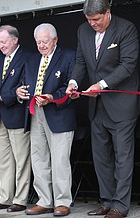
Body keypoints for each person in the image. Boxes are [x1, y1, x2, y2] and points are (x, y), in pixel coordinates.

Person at [65, 0, 140, 218]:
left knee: (122, 157)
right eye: (89, 20)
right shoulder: (83, 31)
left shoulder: (126, 29)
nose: (93, 24)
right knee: (101, 157)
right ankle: (107, 200)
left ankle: (120, 205)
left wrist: (102, 84)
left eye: (97, 19)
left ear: (108, 12)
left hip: (122, 105)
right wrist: (73, 82)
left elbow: (128, 65)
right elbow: (80, 62)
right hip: (96, 106)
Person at [16, 23, 77, 216]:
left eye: (45, 41)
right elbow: (24, 83)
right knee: (39, 159)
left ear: (55, 40)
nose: (41, 45)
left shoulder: (68, 56)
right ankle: (44, 200)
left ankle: (62, 202)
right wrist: (20, 92)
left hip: (59, 113)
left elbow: (70, 86)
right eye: (38, 42)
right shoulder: (32, 60)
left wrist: (52, 97)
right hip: (35, 114)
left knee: (60, 161)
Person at [0, 25, 31, 213]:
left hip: (17, 115)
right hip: (1, 116)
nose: (0, 45)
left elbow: (24, 88)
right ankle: (5, 197)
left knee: (21, 160)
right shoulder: (1, 58)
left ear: (15, 40)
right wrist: (8, 94)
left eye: (3, 42)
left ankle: (20, 199)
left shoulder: (27, 58)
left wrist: (6, 95)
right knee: (4, 159)